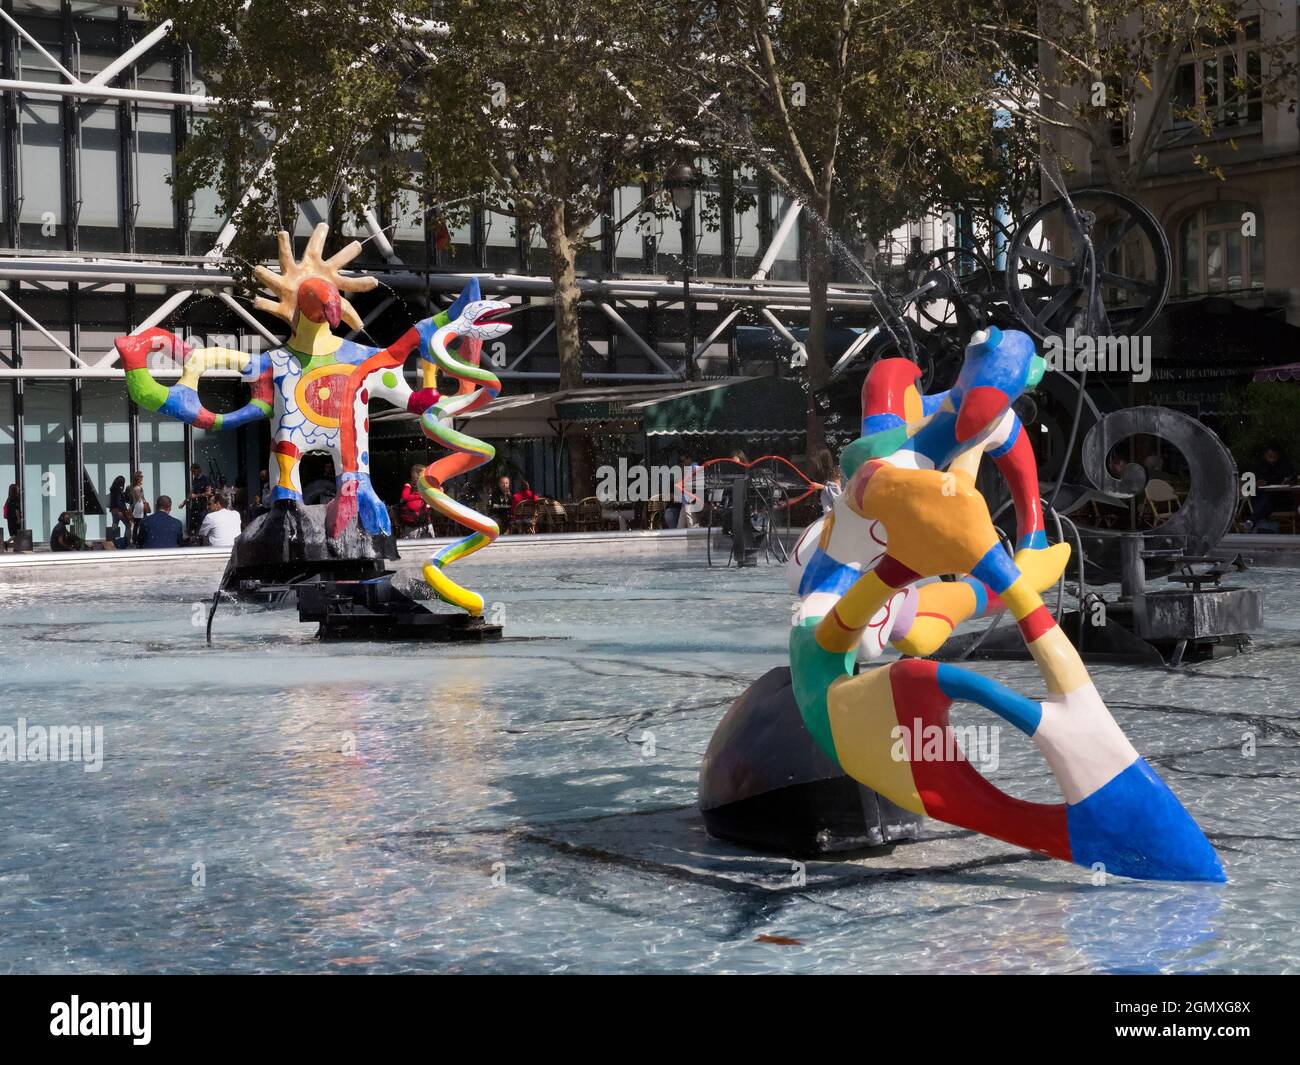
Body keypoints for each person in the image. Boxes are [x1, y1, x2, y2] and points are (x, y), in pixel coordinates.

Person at [1251, 444, 1297, 532]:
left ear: (1278, 456)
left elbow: (1292, 477)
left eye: (1274, 456)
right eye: (1270, 456)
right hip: (1263, 499)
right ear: (1265, 455)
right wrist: (1256, 483)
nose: (1272, 459)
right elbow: (1250, 486)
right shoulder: (1259, 466)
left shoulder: (1284, 465)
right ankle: (1254, 523)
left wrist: (1288, 481)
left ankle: (1251, 522)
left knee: (1267, 501)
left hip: (1281, 500)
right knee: (1266, 500)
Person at [397, 465, 430, 536]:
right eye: (423, 473)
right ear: (417, 475)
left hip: (424, 521)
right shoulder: (408, 485)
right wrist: (420, 496)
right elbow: (405, 497)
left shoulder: (426, 485)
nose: (426, 475)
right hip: (412, 524)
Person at [812, 449, 842, 514]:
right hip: (821, 506)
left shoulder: (834, 471)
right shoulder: (818, 473)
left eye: (817, 460)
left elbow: (837, 491)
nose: (814, 462)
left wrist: (820, 486)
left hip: (833, 510)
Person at [127, 470, 150, 545]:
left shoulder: (136, 487)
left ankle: (136, 539)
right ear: (139, 479)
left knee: (137, 524)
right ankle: (136, 539)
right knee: (138, 524)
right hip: (139, 507)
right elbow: (138, 499)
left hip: (138, 507)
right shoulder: (137, 488)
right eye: (141, 478)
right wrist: (141, 493)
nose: (142, 480)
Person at [106, 475, 129, 540]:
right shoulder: (118, 491)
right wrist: (123, 511)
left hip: (113, 510)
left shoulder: (113, 490)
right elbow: (119, 502)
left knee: (114, 526)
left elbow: (114, 501)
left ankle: (112, 540)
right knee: (128, 525)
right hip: (119, 511)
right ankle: (126, 540)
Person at [3, 483, 20, 548]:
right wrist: (18, 519)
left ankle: (16, 547)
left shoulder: (9, 499)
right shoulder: (15, 498)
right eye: (17, 488)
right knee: (16, 534)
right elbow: (16, 510)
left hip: (9, 519)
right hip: (14, 519)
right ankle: (6, 543)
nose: (18, 489)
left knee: (14, 534)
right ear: (15, 490)